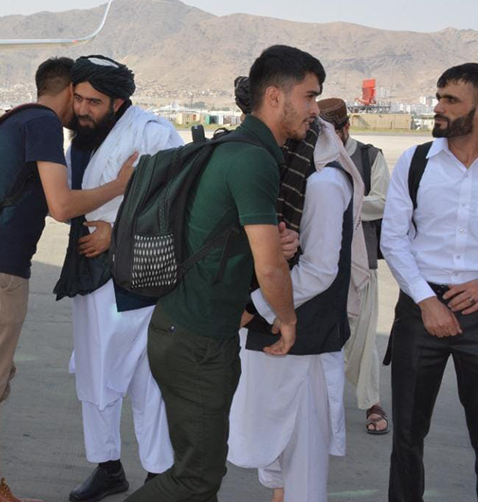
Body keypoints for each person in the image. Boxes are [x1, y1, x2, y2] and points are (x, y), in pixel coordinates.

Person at [0, 57, 138, 502]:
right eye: (82, 97)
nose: (83, 108)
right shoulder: (42, 124)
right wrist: (120, 186)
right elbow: (62, 206)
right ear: (70, 90)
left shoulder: (15, 119)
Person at [125, 47, 303, 502]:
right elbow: (269, 267)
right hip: (197, 342)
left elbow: (226, 236)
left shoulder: (232, 148)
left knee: (197, 475)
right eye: (309, 96)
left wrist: (272, 242)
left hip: (185, 330)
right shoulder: (253, 160)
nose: (315, 109)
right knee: (196, 478)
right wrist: (287, 319)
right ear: (275, 97)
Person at [227, 46, 368, 502]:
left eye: (314, 98)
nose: (314, 108)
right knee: (279, 469)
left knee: (303, 471)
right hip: (275, 337)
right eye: (309, 97)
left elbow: (320, 272)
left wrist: (253, 307)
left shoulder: (323, 181)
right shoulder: (284, 168)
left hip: (304, 344)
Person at [51, 55, 179, 502]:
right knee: (94, 373)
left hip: (139, 280)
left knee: (148, 381)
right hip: (90, 275)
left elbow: (174, 203)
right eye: (79, 99)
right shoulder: (80, 139)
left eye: (94, 102)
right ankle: (108, 468)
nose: (83, 109)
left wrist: (116, 231)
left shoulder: (153, 134)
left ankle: (158, 474)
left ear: (118, 102)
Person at [381, 62, 478, 502]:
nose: (438, 107)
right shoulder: (416, 162)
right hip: (421, 311)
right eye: (438, 97)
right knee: (406, 436)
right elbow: (393, 238)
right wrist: (426, 300)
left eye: (451, 100)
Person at [319, 97, 391, 435]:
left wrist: (343, 201)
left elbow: (383, 202)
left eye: (333, 131)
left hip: (363, 260)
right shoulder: (314, 156)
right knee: (323, 334)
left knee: (363, 335)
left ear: (346, 127)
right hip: (323, 260)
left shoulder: (369, 156)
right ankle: (322, 401)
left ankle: (372, 402)